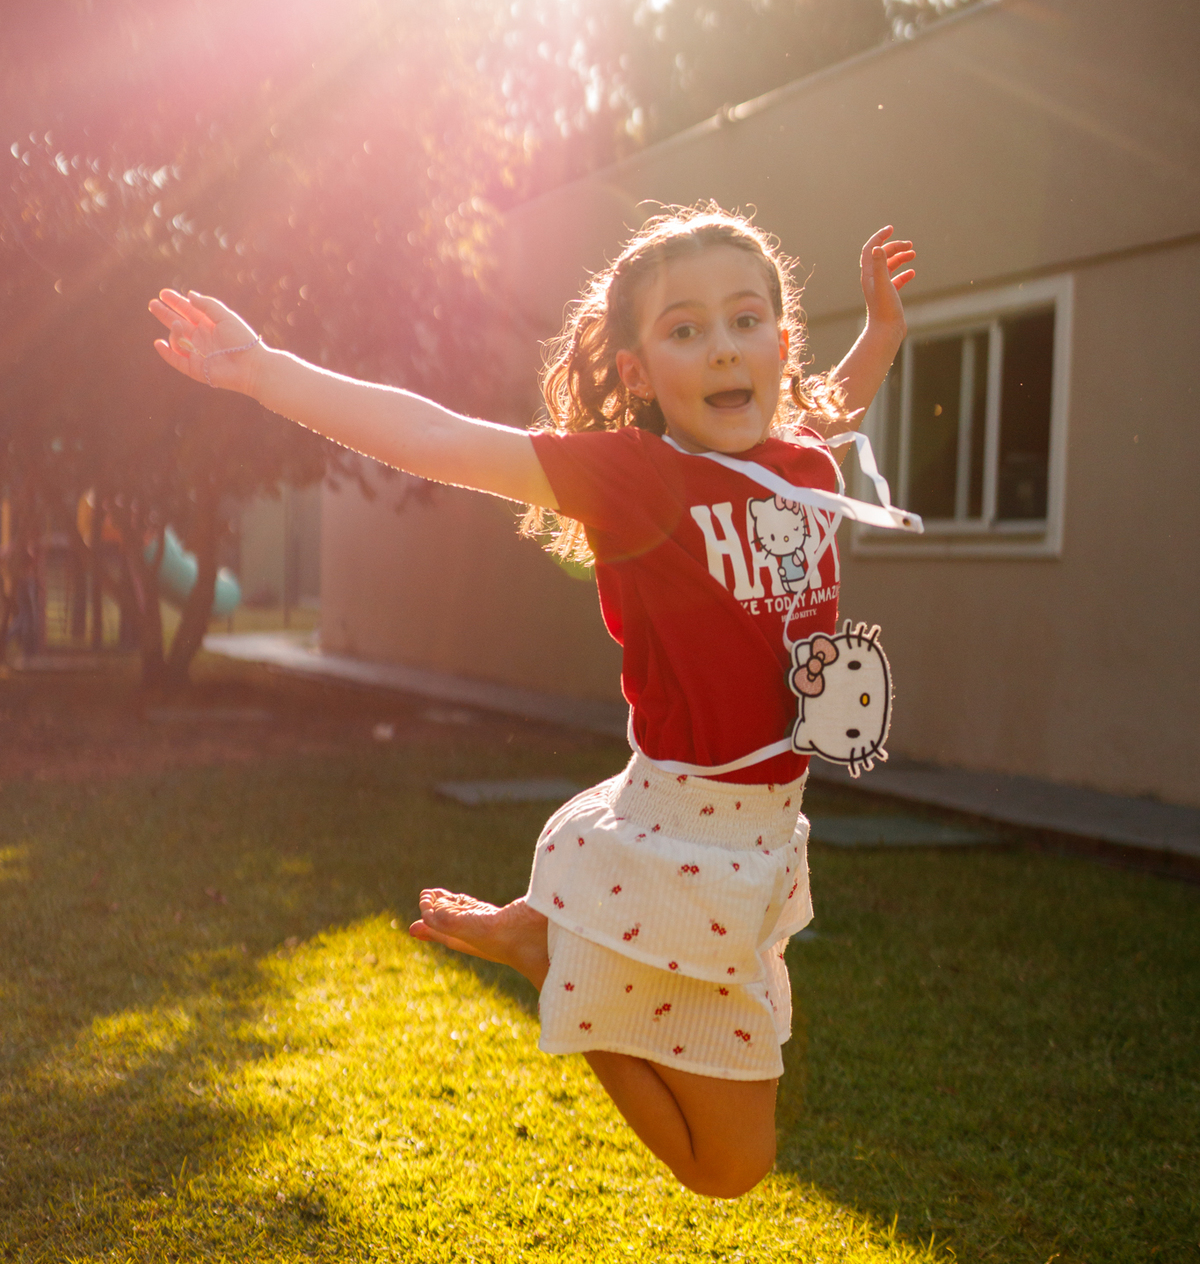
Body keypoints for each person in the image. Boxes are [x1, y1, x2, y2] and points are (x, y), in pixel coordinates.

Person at [149, 205, 914, 1199]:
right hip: (681, 836)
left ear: (781, 338)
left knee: (732, 1162)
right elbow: (435, 435)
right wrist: (262, 371)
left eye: (746, 319)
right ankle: (556, 960)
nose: (725, 348)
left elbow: (834, 403)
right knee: (731, 1166)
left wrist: (882, 332)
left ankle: (552, 951)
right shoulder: (637, 479)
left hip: (767, 837)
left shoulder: (802, 462)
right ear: (638, 373)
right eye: (685, 329)